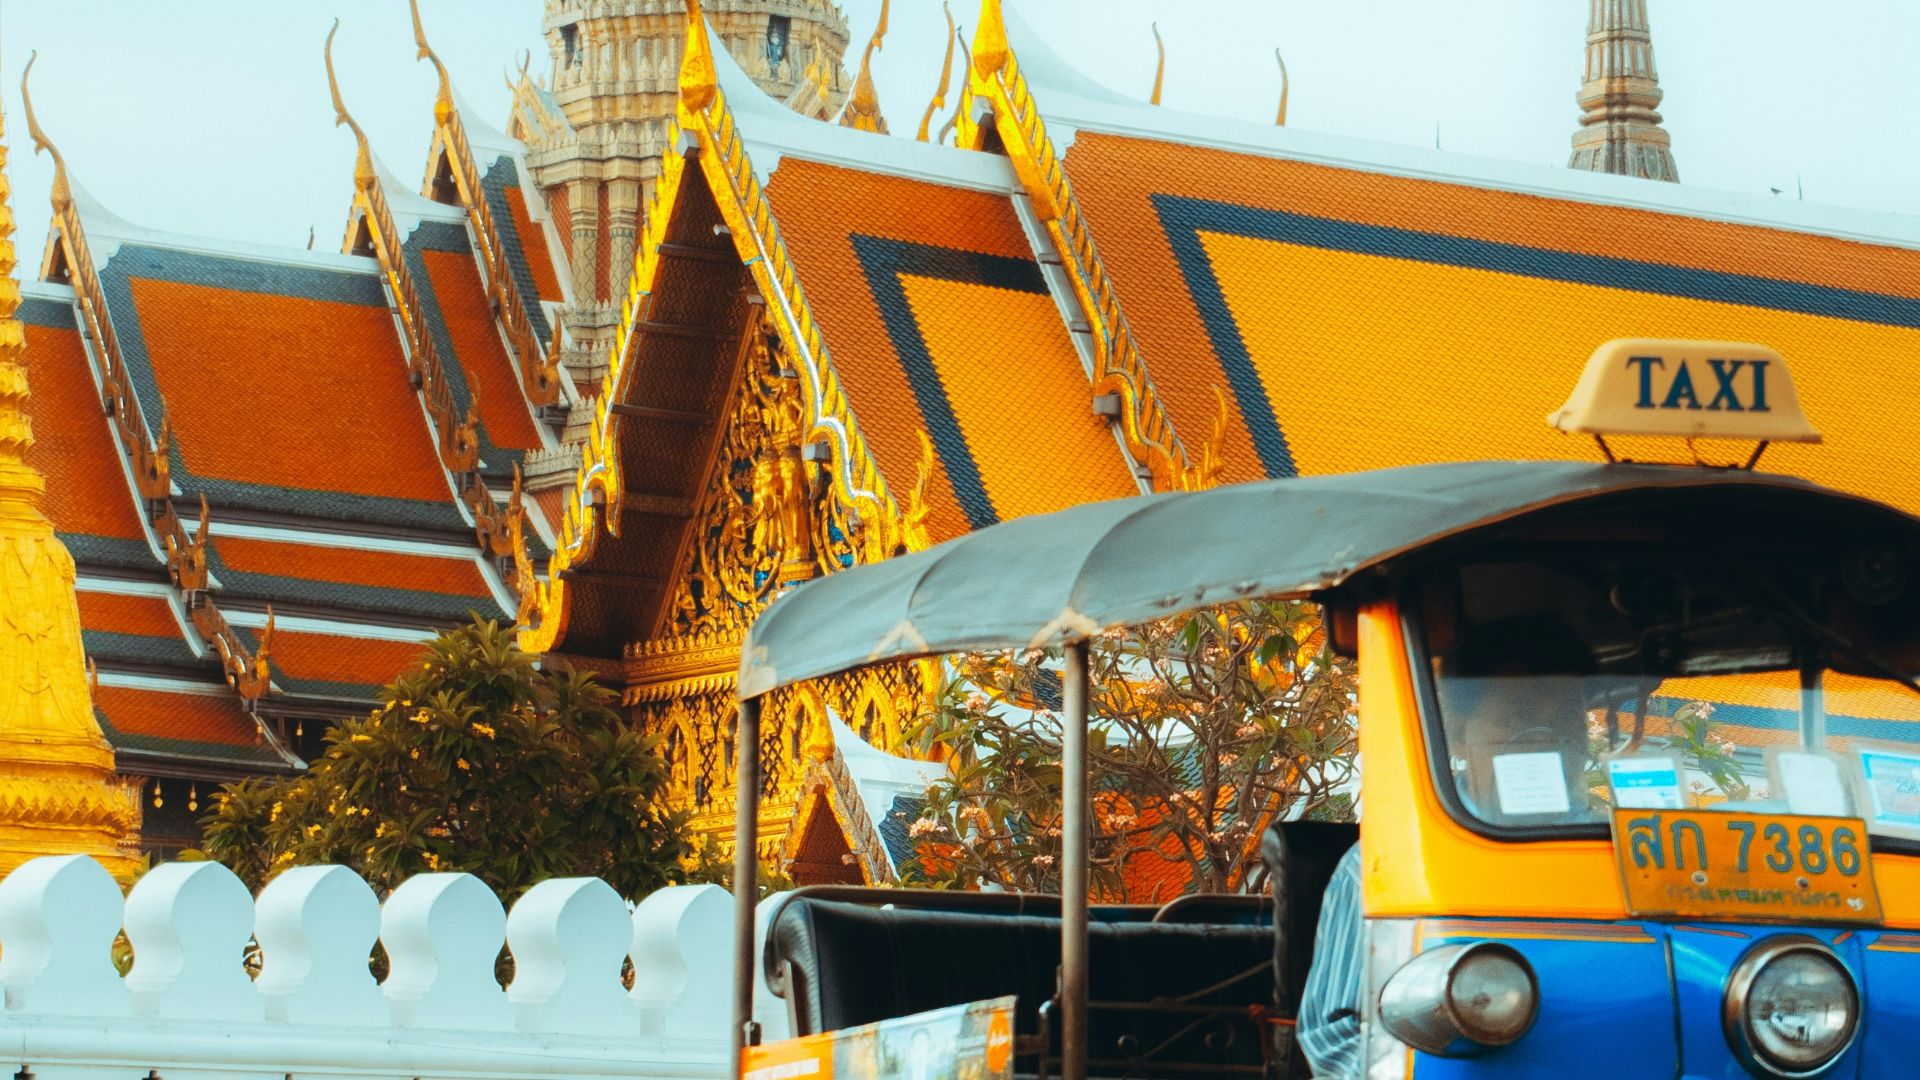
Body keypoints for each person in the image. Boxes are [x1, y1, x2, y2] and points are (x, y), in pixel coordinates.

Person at [1295, 618, 1595, 1077]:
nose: (1546, 740)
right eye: (1518, 719)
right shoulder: (1386, 863)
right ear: (1456, 731)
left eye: (1566, 720)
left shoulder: (1617, 851)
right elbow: (1332, 1038)